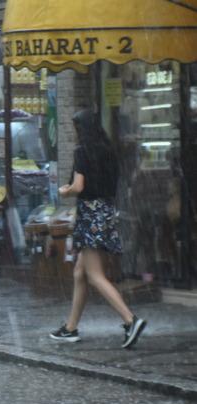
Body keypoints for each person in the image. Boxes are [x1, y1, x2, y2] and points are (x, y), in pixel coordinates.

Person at [50, 110, 147, 348]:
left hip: (90, 215)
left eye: (75, 128)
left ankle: (130, 320)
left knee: (95, 275)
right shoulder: (108, 150)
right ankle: (70, 328)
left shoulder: (82, 151)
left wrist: (65, 191)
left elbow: (78, 186)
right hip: (106, 212)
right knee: (80, 273)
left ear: (81, 129)